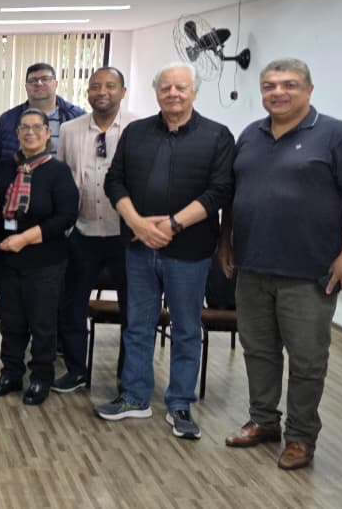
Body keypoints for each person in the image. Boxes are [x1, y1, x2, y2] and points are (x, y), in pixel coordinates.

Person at [218, 58, 342, 470]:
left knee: (306, 360)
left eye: (288, 84)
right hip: (252, 266)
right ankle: (264, 421)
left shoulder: (338, 136)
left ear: (309, 89)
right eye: (269, 86)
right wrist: (225, 239)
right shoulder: (250, 135)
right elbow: (236, 194)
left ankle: (301, 437)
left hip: (309, 273)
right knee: (258, 350)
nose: (277, 92)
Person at [97, 62, 234, 441]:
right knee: (137, 325)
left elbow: (219, 192)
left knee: (186, 329)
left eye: (180, 87)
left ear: (193, 91)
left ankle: (179, 403)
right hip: (139, 248)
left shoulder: (217, 136)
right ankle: (134, 396)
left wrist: (172, 224)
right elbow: (115, 182)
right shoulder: (137, 132)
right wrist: (139, 224)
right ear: (157, 92)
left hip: (189, 251)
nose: (173, 93)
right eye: (166, 87)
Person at [53, 67, 138, 392]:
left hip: (126, 233)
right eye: (95, 86)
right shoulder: (71, 130)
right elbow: (64, 177)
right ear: (87, 92)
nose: (102, 92)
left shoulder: (137, 127)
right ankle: (76, 370)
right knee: (72, 305)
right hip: (82, 231)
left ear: (123, 91)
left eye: (110, 86)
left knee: (132, 308)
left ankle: (126, 375)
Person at [0, 109, 78, 406]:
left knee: (42, 323)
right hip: (6, 260)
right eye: (24, 128)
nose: (30, 132)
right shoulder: (4, 168)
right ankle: (11, 373)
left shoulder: (58, 171)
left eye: (36, 127)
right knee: (11, 321)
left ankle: (41, 377)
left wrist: (25, 238)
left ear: (47, 133)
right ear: (16, 135)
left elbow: (66, 216)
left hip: (44, 260)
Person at [0, 63, 86, 162]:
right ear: (26, 87)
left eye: (45, 79)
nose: (39, 83)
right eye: (32, 80)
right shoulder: (7, 120)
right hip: (17, 176)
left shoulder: (77, 117)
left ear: (56, 84)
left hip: (65, 176)